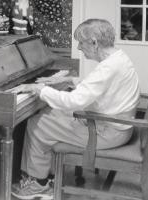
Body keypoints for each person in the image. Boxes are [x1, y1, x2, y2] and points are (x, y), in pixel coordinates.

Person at [11, 18, 140, 200]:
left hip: (108, 133)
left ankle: (37, 185)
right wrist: (69, 80)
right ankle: (47, 175)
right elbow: (101, 87)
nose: (79, 48)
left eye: (81, 42)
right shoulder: (119, 58)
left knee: (38, 122)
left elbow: (75, 101)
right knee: (51, 113)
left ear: (94, 42)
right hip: (116, 127)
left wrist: (40, 89)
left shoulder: (107, 68)